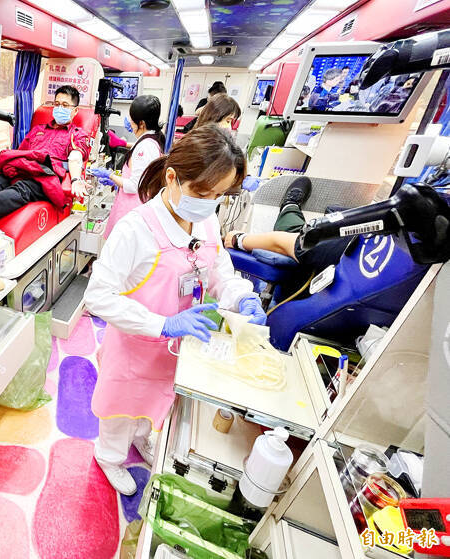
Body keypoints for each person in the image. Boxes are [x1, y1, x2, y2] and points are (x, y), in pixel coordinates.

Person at [86, 125, 267, 495]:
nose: (210, 202)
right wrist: (162, 324)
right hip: (137, 345)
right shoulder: (135, 229)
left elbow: (218, 271)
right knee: (122, 406)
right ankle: (108, 456)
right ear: (171, 176)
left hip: (177, 345)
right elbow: (99, 297)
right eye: (203, 192)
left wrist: (239, 294)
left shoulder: (206, 220)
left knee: (152, 403)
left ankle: (140, 438)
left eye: (219, 195)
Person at [0, 85, 91, 222]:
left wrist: (76, 180)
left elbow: (75, 157)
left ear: (75, 110)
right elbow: (20, 154)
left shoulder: (77, 135)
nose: (59, 108)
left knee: (20, 190)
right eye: (57, 104)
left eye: (65, 105)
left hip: (43, 176)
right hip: (23, 169)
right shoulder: (38, 130)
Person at [223, 177, 351, 278]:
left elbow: (280, 242)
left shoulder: (340, 248)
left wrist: (238, 240)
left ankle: (290, 206)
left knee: (296, 232)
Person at [89, 95, 165, 237]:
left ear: (141, 123)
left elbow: (134, 186)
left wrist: (109, 175)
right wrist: (116, 181)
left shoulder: (145, 147)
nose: (129, 121)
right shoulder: (150, 140)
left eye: (131, 118)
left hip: (132, 212)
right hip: (133, 209)